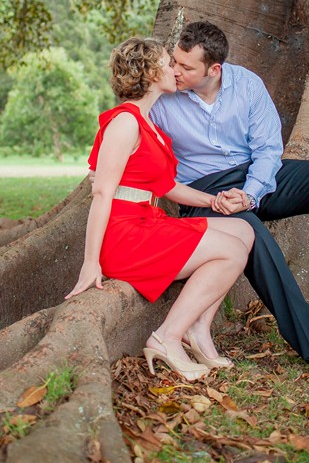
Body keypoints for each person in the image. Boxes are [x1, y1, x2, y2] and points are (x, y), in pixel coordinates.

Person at [150, 21, 309, 393]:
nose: (175, 71)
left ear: (214, 69)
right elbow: (140, 149)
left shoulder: (246, 85)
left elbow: (267, 150)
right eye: (174, 61)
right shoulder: (164, 98)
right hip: (203, 192)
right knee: (254, 236)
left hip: (252, 178)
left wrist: (249, 194)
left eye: (186, 67)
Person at [66, 37, 254, 381]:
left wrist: (213, 201)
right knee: (231, 252)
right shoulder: (125, 122)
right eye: (169, 63)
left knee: (243, 230)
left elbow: (165, 187)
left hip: (147, 220)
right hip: (125, 236)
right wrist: (91, 262)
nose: (175, 70)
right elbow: (102, 192)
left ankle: (198, 328)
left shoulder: (147, 122)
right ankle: (167, 336)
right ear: (152, 73)